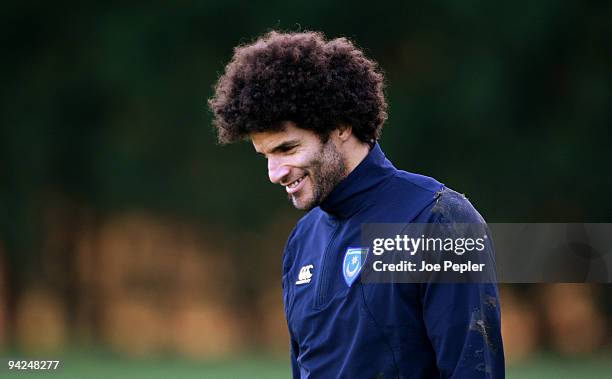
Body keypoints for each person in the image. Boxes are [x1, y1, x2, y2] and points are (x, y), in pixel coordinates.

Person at [209, 31, 504, 378]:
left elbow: (472, 370)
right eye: (265, 156)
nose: (275, 173)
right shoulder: (302, 241)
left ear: (341, 127)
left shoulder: (439, 220)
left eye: (287, 149)